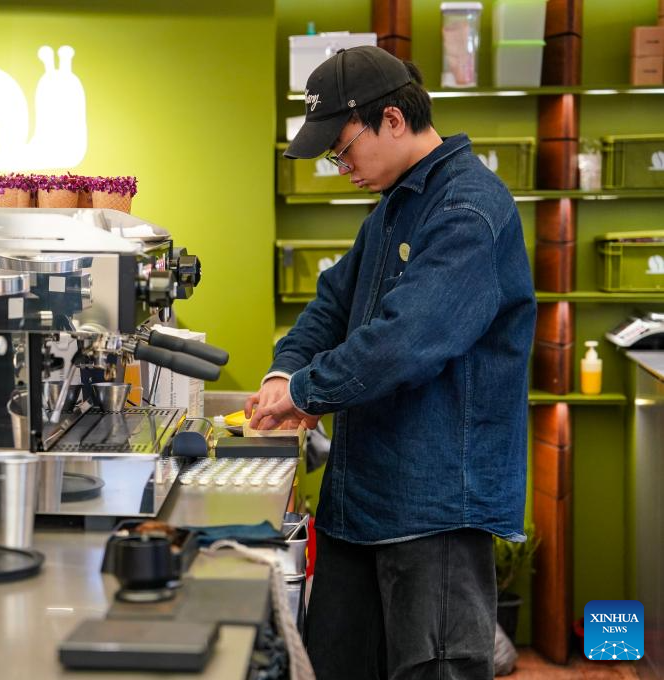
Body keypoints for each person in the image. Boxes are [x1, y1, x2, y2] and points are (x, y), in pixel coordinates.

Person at [245, 46, 536, 679]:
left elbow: (404, 344)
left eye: (343, 148)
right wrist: (283, 373)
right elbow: (331, 302)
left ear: (395, 120)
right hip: (362, 501)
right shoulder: (394, 207)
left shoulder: (467, 212)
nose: (340, 166)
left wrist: (305, 392)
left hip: (433, 510)